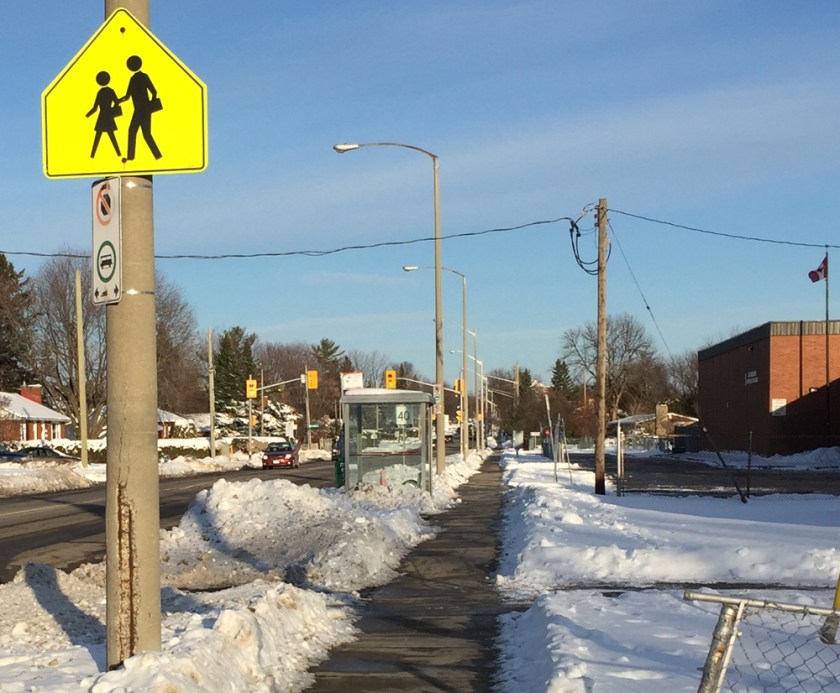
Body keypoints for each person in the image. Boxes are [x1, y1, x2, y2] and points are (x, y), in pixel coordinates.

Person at [118, 55, 162, 161]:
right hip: (141, 110)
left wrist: (117, 101)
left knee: (140, 133)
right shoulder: (138, 78)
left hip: (142, 110)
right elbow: (153, 92)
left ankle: (156, 155)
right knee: (139, 132)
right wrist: (117, 101)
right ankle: (135, 157)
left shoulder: (137, 78)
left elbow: (127, 96)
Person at [85, 70, 122, 158]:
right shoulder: (110, 91)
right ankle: (118, 154)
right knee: (111, 136)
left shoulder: (100, 92)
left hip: (102, 116)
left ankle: (92, 155)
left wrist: (87, 115)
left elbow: (95, 108)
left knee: (99, 137)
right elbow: (116, 102)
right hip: (108, 116)